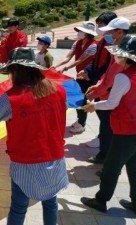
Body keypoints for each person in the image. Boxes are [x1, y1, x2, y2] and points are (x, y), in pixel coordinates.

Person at [0, 47, 68, 225]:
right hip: (54, 157)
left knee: (19, 207)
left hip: (26, 162)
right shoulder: (58, 90)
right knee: (50, 202)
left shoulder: (11, 98)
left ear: (16, 70)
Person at [81, 36, 136, 214]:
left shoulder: (123, 76)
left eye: (120, 54)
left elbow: (112, 103)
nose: (117, 58)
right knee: (133, 165)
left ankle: (100, 200)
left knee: (111, 167)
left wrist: (93, 105)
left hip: (126, 128)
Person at [84, 16, 131, 164]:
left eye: (110, 31)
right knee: (106, 128)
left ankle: (107, 159)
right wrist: (98, 84)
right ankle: (105, 156)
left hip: (113, 97)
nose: (106, 34)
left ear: (120, 32)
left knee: (108, 130)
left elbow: (113, 78)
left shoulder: (124, 52)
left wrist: (96, 93)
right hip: (107, 92)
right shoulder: (116, 49)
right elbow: (108, 72)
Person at [52, 21, 97, 134]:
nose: (78, 33)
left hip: (89, 76)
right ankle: (79, 120)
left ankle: (82, 123)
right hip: (80, 75)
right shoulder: (77, 43)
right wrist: (56, 66)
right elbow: (67, 57)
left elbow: (79, 60)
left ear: (87, 33)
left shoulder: (93, 46)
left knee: (83, 99)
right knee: (78, 97)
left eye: (81, 31)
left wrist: (65, 68)